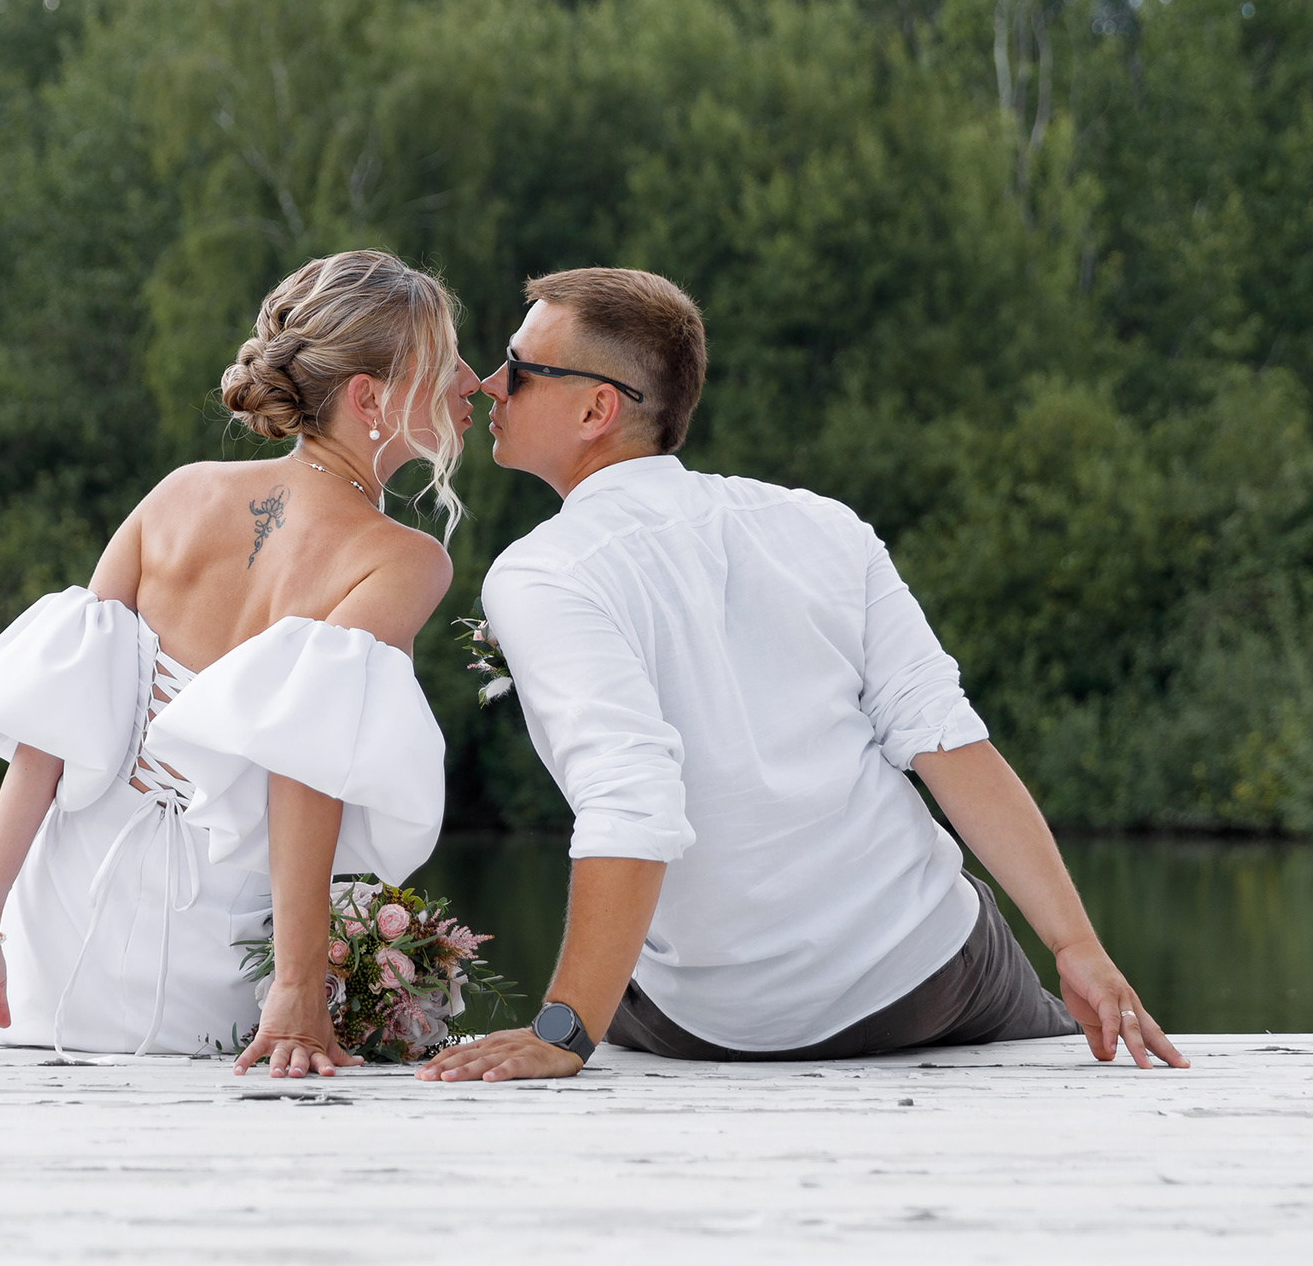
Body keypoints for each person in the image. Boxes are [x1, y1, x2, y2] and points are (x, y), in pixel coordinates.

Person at [421, 268, 1186, 1082]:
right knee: (1035, 1026)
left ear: (595, 408)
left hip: (718, 1024)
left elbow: (631, 795)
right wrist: (1078, 948)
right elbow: (946, 739)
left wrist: (565, 1032)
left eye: (519, 366)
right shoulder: (823, 524)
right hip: (928, 976)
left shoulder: (543, 573)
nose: (489, 383)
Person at [0, 250, 478, 1076]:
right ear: (369, 396)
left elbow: (48, 736)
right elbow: (302, 767)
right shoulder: (404, 560)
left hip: (52, 943)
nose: (470, 381)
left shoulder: (178, 493)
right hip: (218, 954)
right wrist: (297, 986)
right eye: (443, 360)